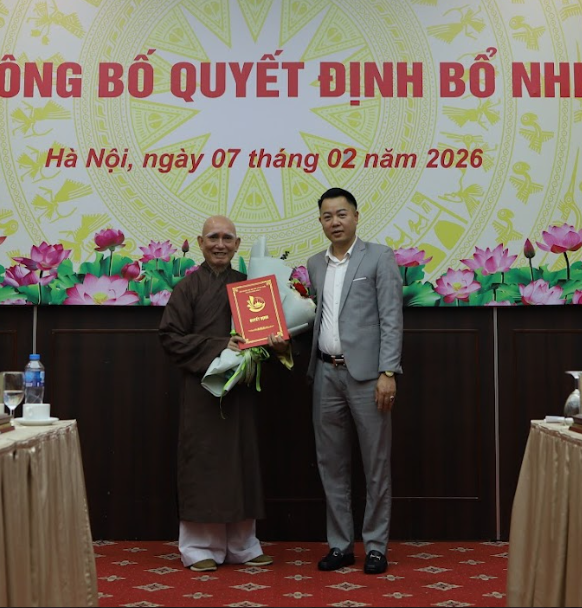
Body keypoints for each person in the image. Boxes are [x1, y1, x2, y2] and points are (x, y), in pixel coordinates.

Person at [158, 215, 280, 572]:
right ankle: (199, 549)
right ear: (200, 242)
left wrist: (275, 343)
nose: (220, 244)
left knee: (241, 463)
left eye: (228, 238)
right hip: (202, 392)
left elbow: (267, 334)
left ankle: (244, 546)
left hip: (241, 389)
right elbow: (170, 337)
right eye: (213, 237)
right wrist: (219, 346)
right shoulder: (188, 288)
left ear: (237, 245)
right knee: (204, 465)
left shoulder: (249, 287)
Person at [305, 187, 403, 575]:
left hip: (368, 378)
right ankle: (341, 545)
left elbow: (391, 318)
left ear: (356, 216)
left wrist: (388, 372)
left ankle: (376, 546)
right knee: (331, 464)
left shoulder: (379, 256)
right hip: (325, 374)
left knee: (375, 464)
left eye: (342, 214)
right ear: (320, 222)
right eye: (328, 216)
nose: (335, 222)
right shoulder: (315, 264)